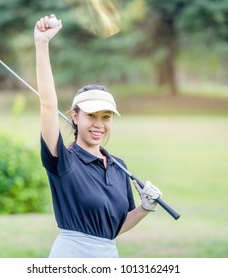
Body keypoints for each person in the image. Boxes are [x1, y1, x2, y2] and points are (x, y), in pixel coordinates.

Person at [34, 14, 163, 258]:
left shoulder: (118, 167)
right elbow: (48, 106)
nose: (99, 125)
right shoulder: (62, 160)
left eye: (106, 117)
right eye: (91, 116)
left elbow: (114, 227)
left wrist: (145, 207)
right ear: (74, 116)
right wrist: (42, 45)